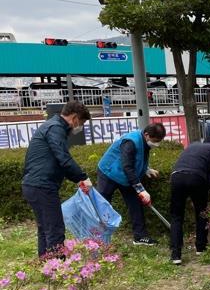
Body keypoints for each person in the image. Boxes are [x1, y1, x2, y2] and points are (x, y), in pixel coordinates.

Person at [22, 100, 93, 257]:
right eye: (81, 122)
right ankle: (58, 269)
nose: (80, 127)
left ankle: (46, 264)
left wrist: (77, 180)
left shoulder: (53, 126)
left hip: (33, 185)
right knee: (54, 228)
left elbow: (60, 162)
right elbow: (63, 157)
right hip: (42, 185)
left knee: (45, 227)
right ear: (74, 118)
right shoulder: (55, 129)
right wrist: (83, 177)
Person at [97, 123, 166, 245]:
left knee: (135, 204)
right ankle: (97, 237)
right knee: (103, 204)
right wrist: (141, 190)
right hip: (109, 173)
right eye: (155, 141)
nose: (157, 144)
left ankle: (140, 236)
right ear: (147, 135)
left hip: (125, 177)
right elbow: (127, 167)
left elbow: (137, 159)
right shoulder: (131, 142)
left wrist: (146, 169)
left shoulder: (144, 142)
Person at [169, 137, 210, 264]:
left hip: (176, 176)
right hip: (197, 177)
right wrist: (202, 193)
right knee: (201, 213)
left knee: (176, 216)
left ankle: (176, 254)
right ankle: (201, 247)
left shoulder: (192, 145)